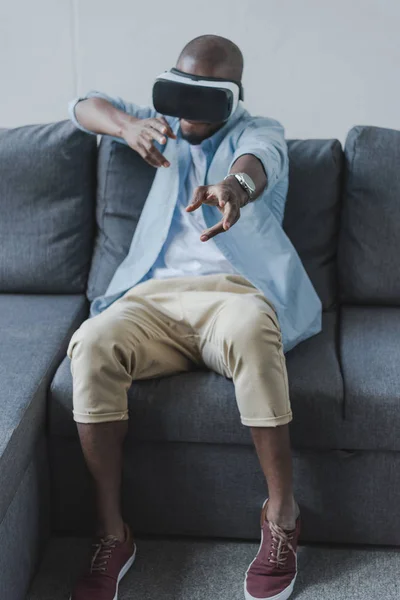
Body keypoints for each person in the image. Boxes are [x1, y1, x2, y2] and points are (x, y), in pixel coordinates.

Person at [67, 34, 321, 600]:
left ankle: (282, 517)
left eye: (204, 100)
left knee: (255, 330)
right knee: (91, 344)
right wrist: (129, 129)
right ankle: (112, 534)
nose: (186, 113)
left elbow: (260, 164)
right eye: (180, 93)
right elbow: (83, 105)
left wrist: (233, 188)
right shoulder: (160, 125)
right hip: (151, 297)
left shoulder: (258, 132)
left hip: (233, 295)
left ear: (232, 97)